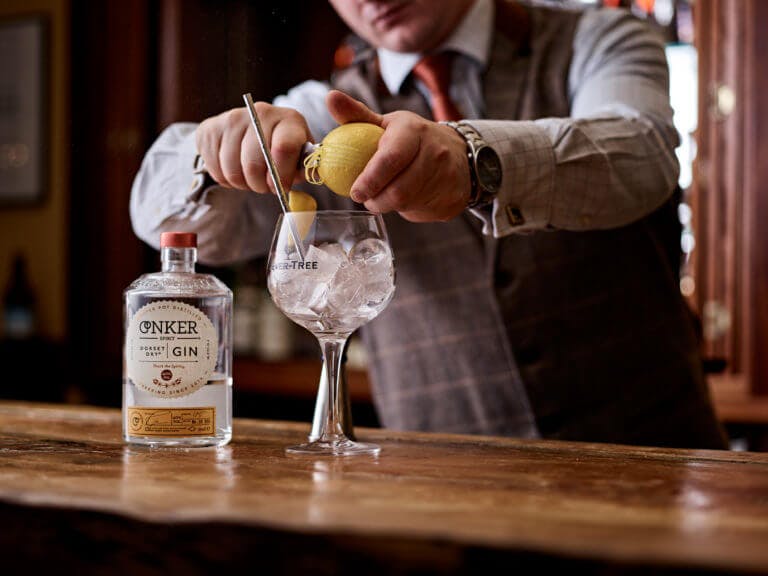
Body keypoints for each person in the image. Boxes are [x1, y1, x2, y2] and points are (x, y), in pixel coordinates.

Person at [131, 0, 728, 449]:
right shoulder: (325, 106)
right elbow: (156, 214)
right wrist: (210, 155)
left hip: (649, 460)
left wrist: (474, 161)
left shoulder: (598, 36)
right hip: (441, 479)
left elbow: (642, 153)